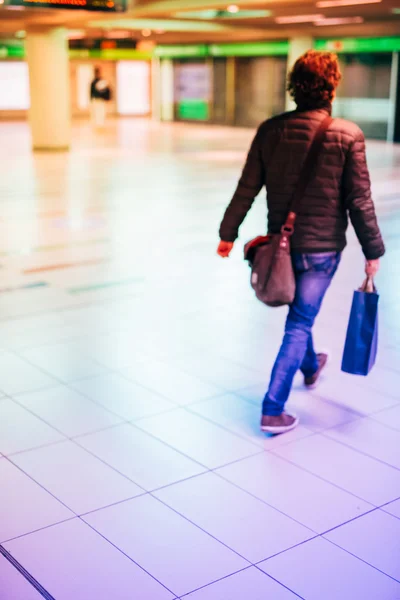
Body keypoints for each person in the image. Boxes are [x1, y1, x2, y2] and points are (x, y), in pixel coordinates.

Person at [217, 50, 385, 435]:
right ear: (332, 85)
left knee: (300, 316)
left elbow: (247, 188)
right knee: (300, 321)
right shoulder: (347, 134)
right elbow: (358, 199)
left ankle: (310, 366)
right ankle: (273, 408)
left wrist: (228, 234)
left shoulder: (270, 130)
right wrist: (372, 251)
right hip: (323, 250)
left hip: (282, 246)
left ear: (294, 85)